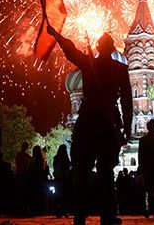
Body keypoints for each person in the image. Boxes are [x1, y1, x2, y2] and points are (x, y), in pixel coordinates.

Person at [48, 26, 133, 225]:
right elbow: (127, 101)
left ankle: (79, 215)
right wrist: (127, 127)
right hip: (108, 121)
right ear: (112, 48)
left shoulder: (89, 63)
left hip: (87, 119)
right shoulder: (120, 69)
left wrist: (56, 34)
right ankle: (108, 215)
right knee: (106, 173)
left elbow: (70, 51)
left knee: (82, 172)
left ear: (97, 46)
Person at [29, 145, 50, 215]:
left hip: (34, 179)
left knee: (35, 194)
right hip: (41, 179)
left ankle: (35, 210)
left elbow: (30, 169)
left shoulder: (33, 159)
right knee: (41, 194)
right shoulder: (42, 159)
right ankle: (42, 210)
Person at [53, 144, 71, 218]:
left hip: (57, 178)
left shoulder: (56, 158)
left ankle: (58, 211)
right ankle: (65, 211)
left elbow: (54, 166)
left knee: (58, 195)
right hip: (64, 178)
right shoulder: (65, 158)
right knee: (65, 195)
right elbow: (68, 167)